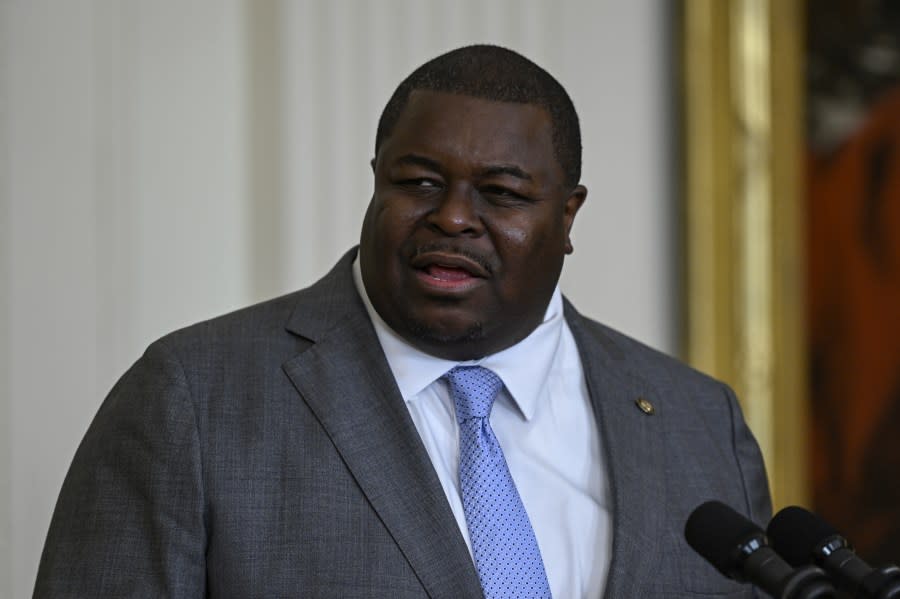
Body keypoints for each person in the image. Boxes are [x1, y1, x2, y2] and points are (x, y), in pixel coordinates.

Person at [35, 45, 771, 598]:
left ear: (568, 213)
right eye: (417, 182)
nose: (452, 216)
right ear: (376, 178)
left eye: (500, 192)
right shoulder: (195, 400)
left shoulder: (698, 422)